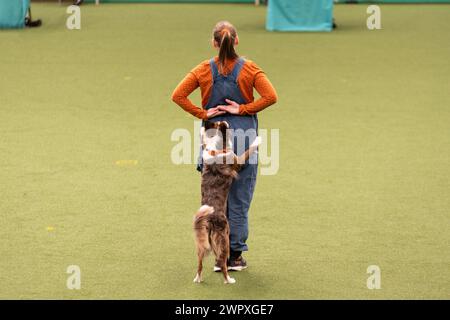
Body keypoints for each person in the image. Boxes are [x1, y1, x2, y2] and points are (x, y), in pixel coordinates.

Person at [172, 21, 277, 271]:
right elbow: (271, 96)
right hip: (242, 140)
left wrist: (203, 113)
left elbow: (177, 95)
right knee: (239, 200)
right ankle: (235, 257)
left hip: (213, 138)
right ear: (236, 41)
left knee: (215, 198)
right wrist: (242, 108)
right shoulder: (250, 69)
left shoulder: (203, 70)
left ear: (214, 43)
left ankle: (218, 254)